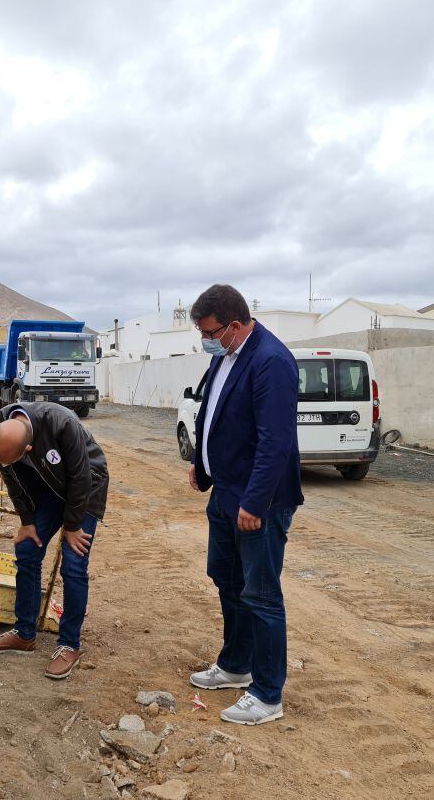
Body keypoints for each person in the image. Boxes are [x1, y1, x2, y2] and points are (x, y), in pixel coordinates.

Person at [186, 284, 303, 725]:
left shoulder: (270, 362)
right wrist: (202, 464)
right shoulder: (225, 355)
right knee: (227, 580)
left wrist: (255, 502)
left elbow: (276, 443)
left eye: (209, 331)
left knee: (261, 595)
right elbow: (211, 415)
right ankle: (236, 665)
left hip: (260, 502)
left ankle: (268, 693)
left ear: (234, 326)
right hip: (226, 493)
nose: (205, 339)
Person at [0, 401, 108, 679]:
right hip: (50, 487)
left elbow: (80, 476)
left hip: (87, 486)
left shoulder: (62, 423)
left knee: (73, 563)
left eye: (11, 459)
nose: (3, 465)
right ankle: (24, 634)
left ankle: (69, 644)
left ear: (27, 450)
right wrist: (26, 521)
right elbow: (10, 475)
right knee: (27, 549)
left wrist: (72, 526)